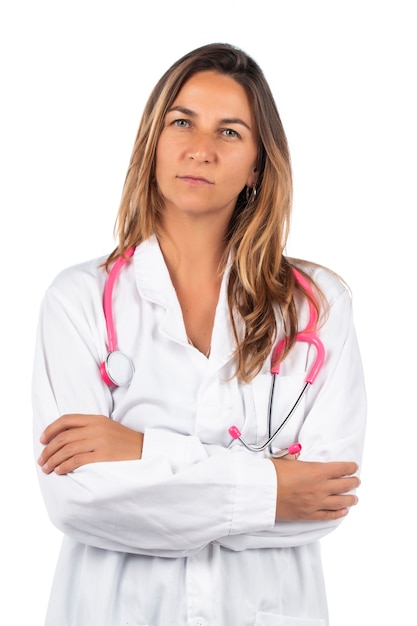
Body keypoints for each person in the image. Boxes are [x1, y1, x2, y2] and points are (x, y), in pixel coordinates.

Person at [33, 42, 366, 626]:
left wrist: (140, 451)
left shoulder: (317, 308)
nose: (201, 149)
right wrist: (271, 492)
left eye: (230, 132)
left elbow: (324, 501)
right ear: (153, 142)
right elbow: (79, 500)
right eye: (182, 122)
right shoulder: (78, 301)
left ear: (259, 165)